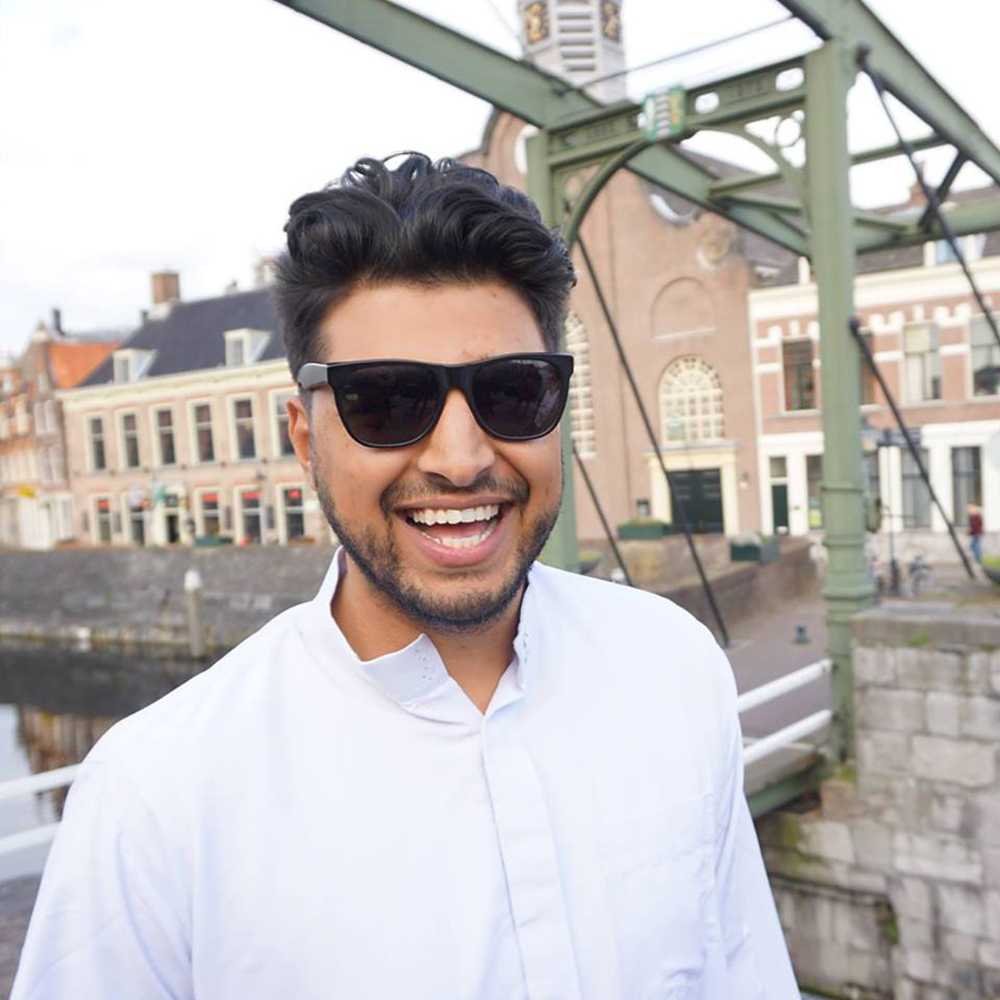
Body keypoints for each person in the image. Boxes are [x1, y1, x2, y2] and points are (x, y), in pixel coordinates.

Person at [13, 154, 798, 998]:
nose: (460, 459)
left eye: (514, 392)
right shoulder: (154, 800)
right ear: (305, 438)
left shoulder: (674, 668)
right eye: (385, 402)